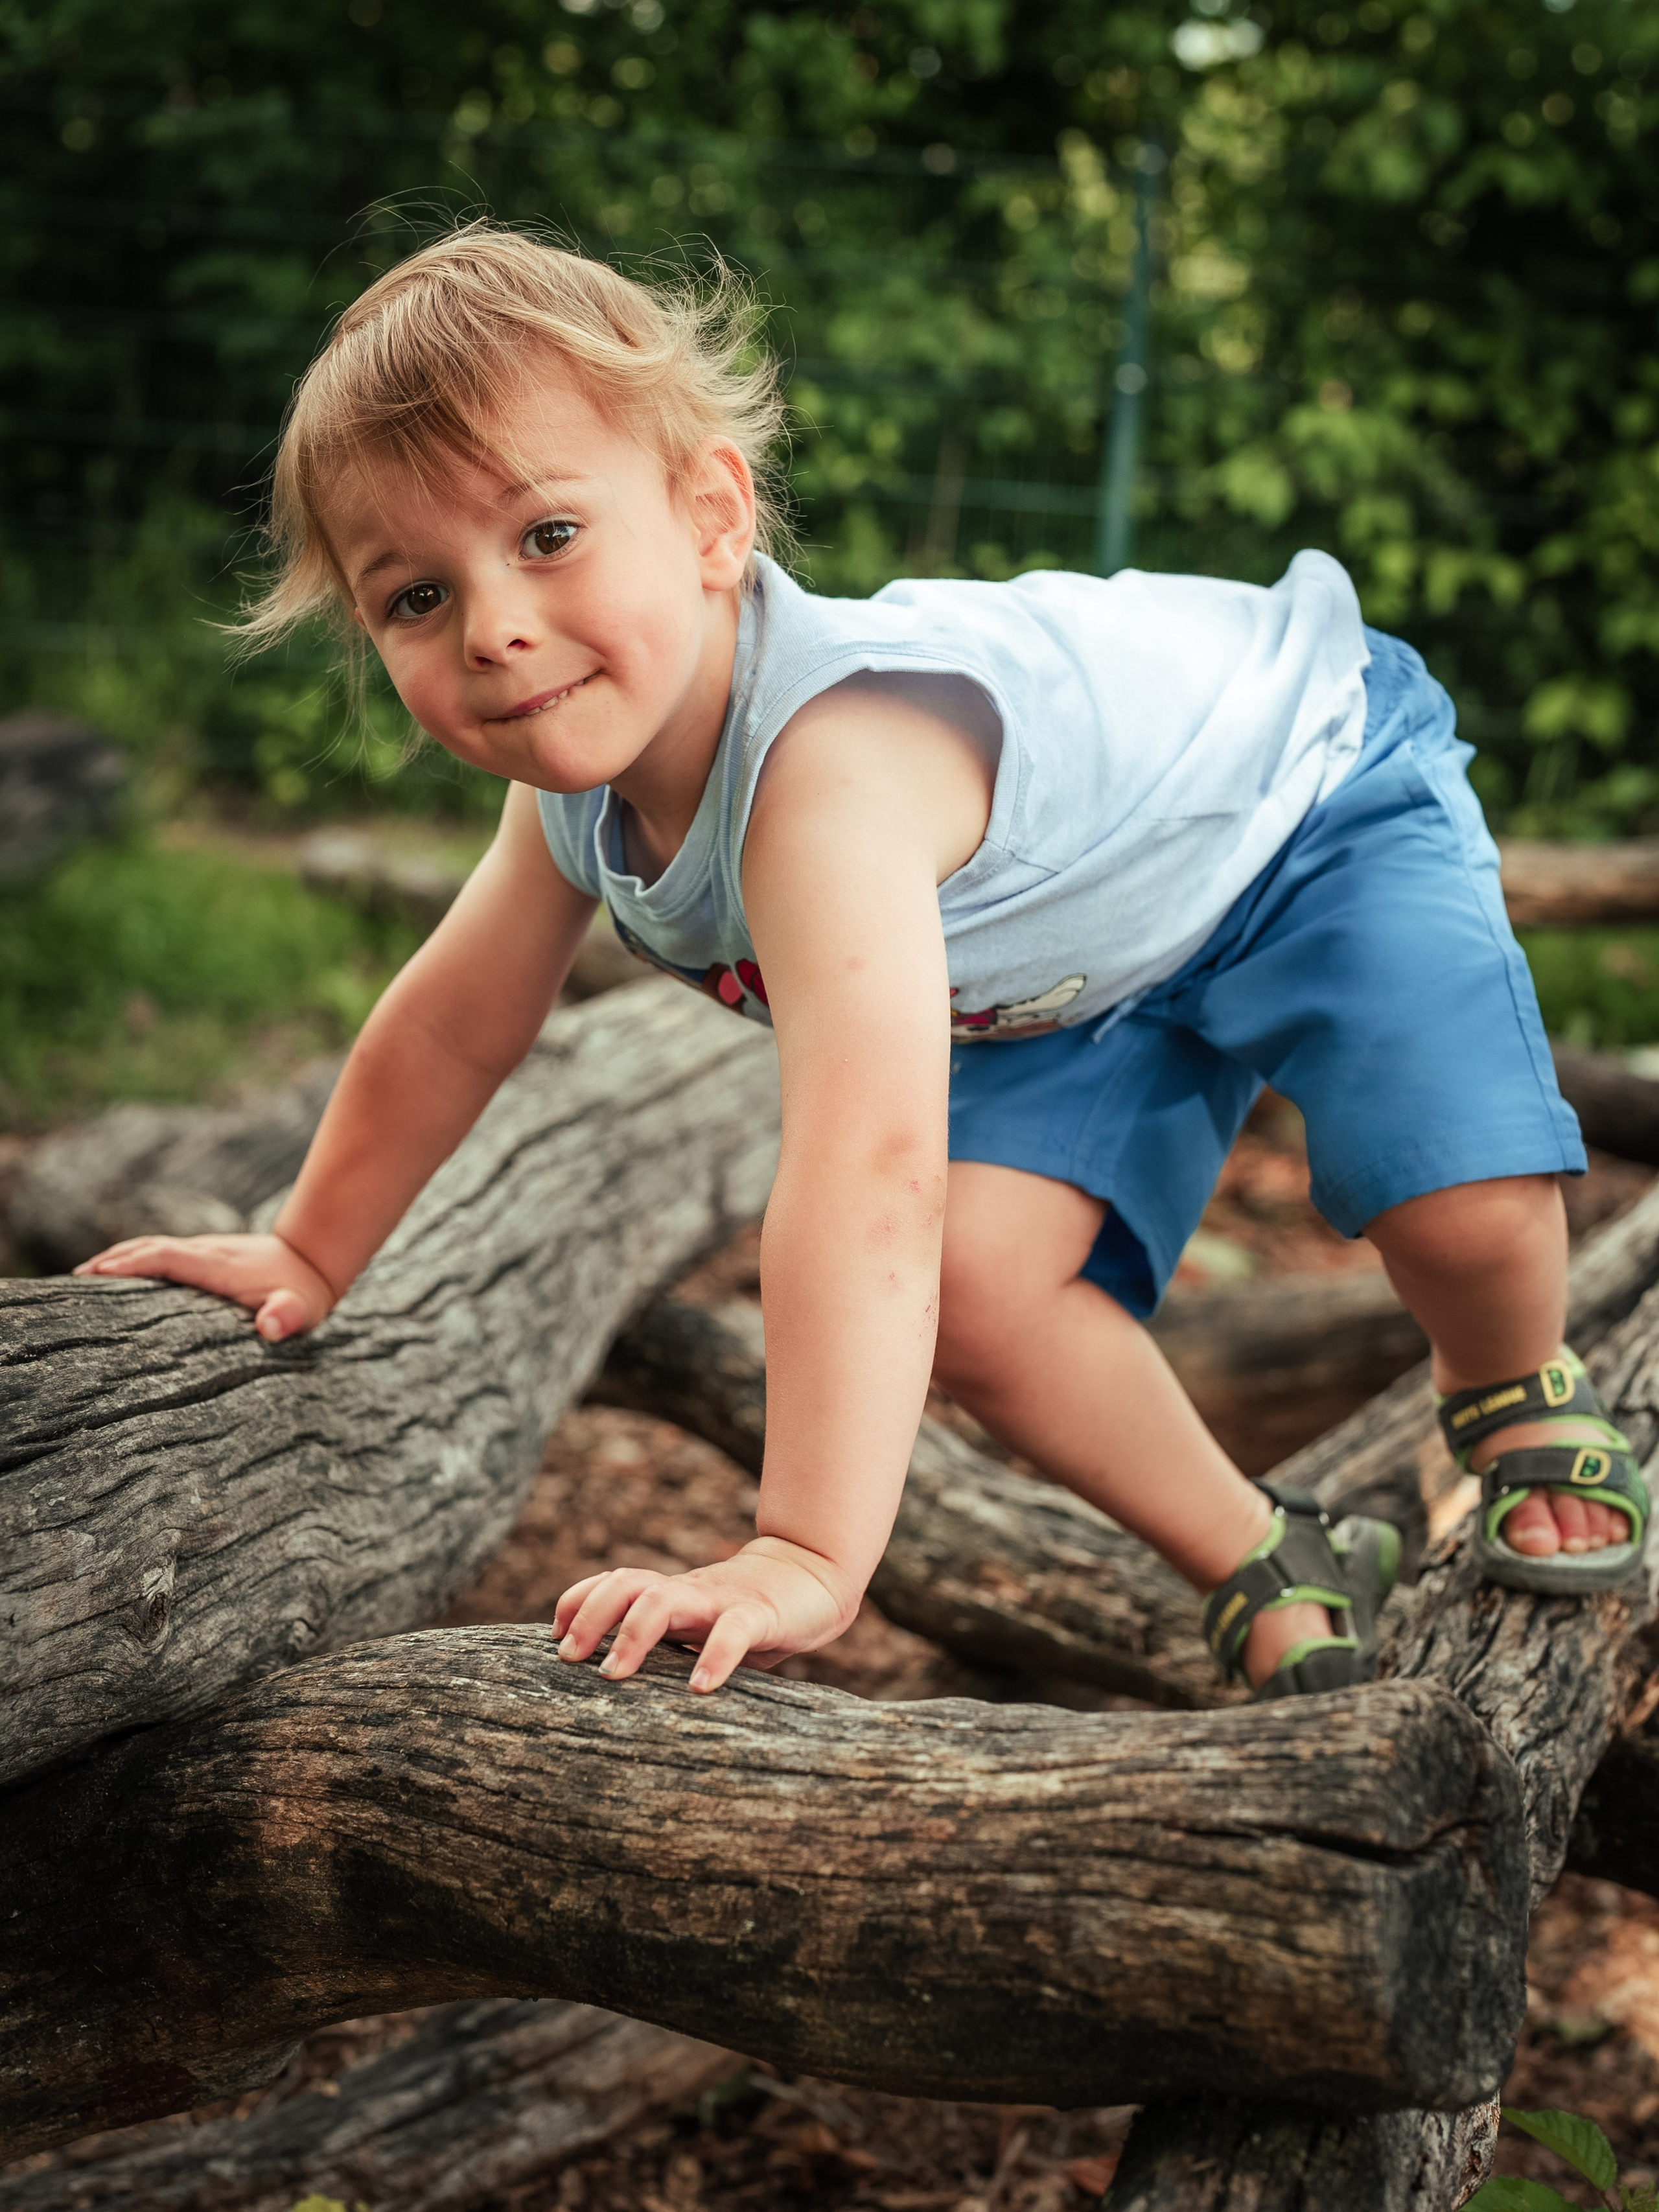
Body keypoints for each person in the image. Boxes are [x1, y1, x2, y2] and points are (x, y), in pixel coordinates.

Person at [77, 224, 1649, 1703]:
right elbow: (449, 1026)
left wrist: (807, 1549)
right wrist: (309, 1252)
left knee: (1453, 1199)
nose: (493, 625)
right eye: (416, 597)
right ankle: (1261, 1552)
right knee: (978, 1300)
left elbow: (869, 1162)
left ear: (712, 516)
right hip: (1080, 950)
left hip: (1297, 797)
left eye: (548, 536)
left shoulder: (827, 769)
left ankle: (1509, 1392)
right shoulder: (562, 794)